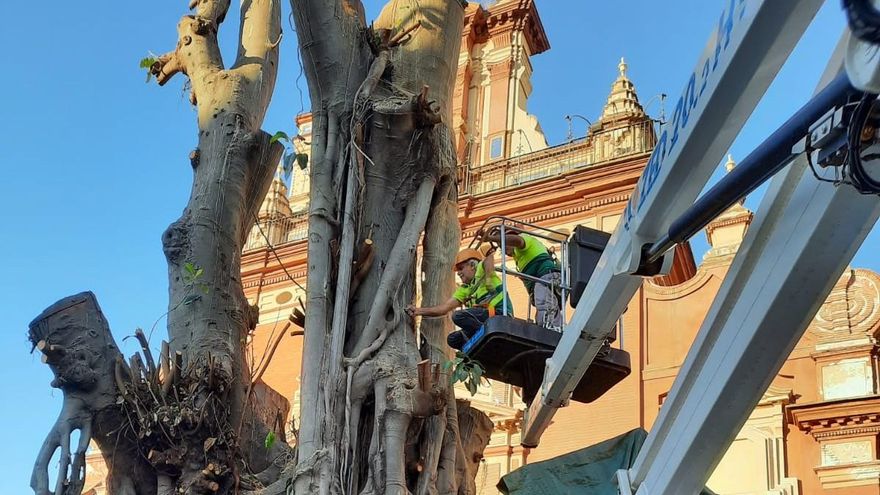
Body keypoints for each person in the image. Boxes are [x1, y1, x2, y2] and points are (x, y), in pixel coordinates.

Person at [406, 247, 512, 350]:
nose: (459, 273)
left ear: (472, 265)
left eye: (461, 268)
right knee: (452, 339)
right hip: (483, 319)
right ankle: (477, 345)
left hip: (498, 314)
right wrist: (418, 311)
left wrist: (489, 279)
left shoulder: (481, 270)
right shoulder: (465, 289)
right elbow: (444, 308)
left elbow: (489, 259)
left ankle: (484, 334)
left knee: (458, 316)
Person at [478, 227, 563, 329]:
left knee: (545, 306)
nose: (504, 250)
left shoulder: (523, 240)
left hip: (548, 279)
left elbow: (517, 241)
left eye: (503, 243)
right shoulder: (519, 258)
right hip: (544, 284)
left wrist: (492, 238)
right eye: (501, 247)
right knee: (543, 312)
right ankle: (551, 328)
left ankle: (552, 329)